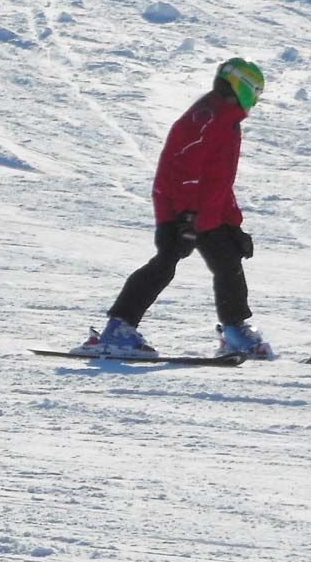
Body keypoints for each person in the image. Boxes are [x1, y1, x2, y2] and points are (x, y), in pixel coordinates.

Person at [74, 58, 275, 359]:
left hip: (206, 210)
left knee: (228, 261)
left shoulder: (228, 121)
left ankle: (235, 331)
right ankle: (118, 329)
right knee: (167, 260)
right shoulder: (205, 117)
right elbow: (184, 168)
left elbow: (220, 180)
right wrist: (185, 216)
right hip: (178, 206)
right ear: (242, 88)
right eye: (256, 92)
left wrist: (233, 224)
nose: (256, 100)